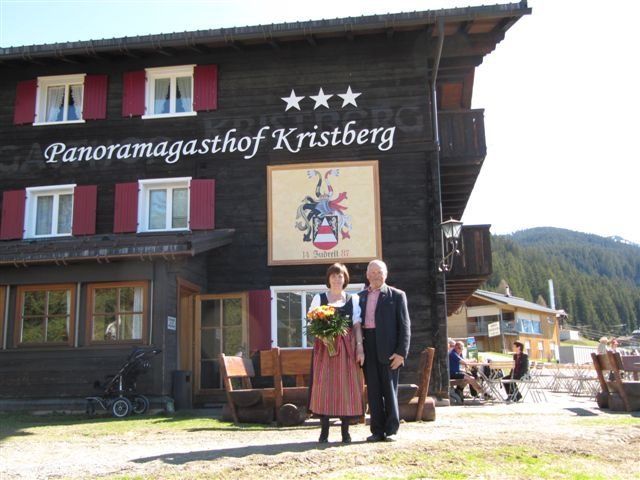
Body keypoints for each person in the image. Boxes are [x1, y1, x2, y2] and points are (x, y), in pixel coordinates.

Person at [308, 263, 364, 444]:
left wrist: (359, 347)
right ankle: (324, 432)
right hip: (325, 348)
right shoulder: (319, 298)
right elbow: (311, 323)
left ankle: (345, 432)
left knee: (346, 386)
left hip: (347, 348)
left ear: (345, 279)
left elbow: (356, 325)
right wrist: (323, 337)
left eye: (340, 276)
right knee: (325, 386)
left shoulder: (353, 299)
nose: (337, 279)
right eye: (333, 276)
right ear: (328, 279)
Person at [359, 259, 410, 442]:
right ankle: (377, 430)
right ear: (367, 275)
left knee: (389, 390)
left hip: (389, 350)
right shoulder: (360, 297)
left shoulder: (397, 295)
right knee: (373, 391)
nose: (376, 276)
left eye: (379, 272)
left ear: (386, 275)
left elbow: (405, 326)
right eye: (372, 272)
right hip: (368, 347)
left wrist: (401, 353)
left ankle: (392, 430)